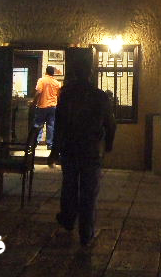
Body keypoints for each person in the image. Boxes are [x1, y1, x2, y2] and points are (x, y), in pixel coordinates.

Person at [49, 58, 116, 247]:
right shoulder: (99, 96)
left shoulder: (66, 96)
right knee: (89, 191)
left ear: (74, 74)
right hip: (91, 150)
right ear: (90, 73)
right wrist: (108, 145)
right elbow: (111, 124)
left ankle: (68, 219)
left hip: (70, 148)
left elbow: (60, 126)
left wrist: (55, 150)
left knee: (69, 186)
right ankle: (86, 233)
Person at [33, 65, 62, 163]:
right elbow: (59, 95)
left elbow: (38, 92)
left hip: (42, 105)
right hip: (53, 106)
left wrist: (34, 102)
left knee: (38, 124)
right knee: (51, 125)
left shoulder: (42, 80)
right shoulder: (57, 83)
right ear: (53, 73)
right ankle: (49, 144)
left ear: (46, 72)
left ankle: (35, 142)